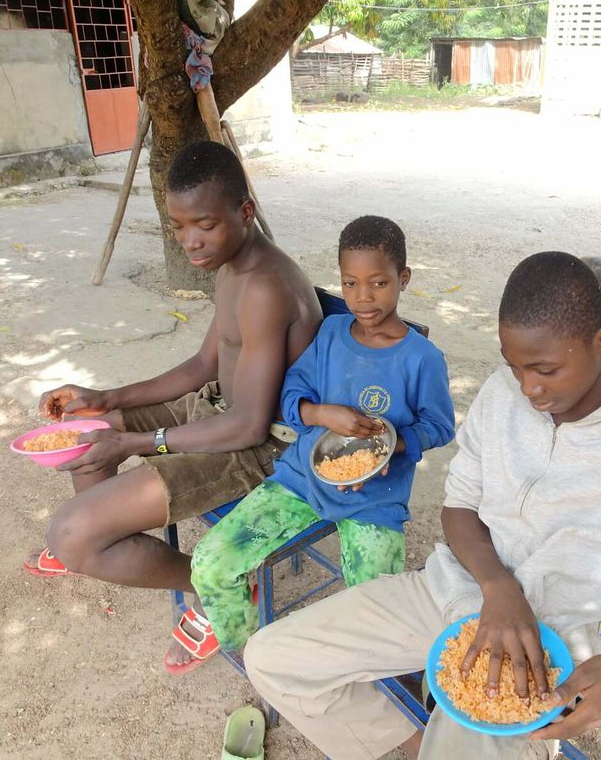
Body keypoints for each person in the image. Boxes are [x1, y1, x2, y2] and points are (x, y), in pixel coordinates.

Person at [243, 251, 601, 760]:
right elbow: (460, 505)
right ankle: (414, 747)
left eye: (545, 370)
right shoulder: (503, 395)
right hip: (453, 588)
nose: (529, 389)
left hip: (554, 640)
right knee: (275, 658)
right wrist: (497, 587)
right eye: (514, 367)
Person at [24, 141, 322, 674]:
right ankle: (103, 535)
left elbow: (251, 425)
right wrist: (107, 398)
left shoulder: (263, 288)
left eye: (203, 225)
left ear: (245, 212)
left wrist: (141, 442)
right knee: (87, 429)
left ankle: (208, 585)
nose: (190, 241)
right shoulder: (232, 265)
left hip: (259, 449)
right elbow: (204, 363)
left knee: (71, 534)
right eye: (179, 226)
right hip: (216, 412)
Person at [190, 215, 456, 652]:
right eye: (350, 284)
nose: (363, 298)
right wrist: (321, 413)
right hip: (302, 480)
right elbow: (292, 391)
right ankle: (253, 652)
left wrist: (390, 444)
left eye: (378, 283)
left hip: (375, 497)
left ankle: (363, 674)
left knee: (378, 609)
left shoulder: (422, 358)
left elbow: (439, 426)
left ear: (403, 279)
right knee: (210, 564)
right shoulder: (331, 334)